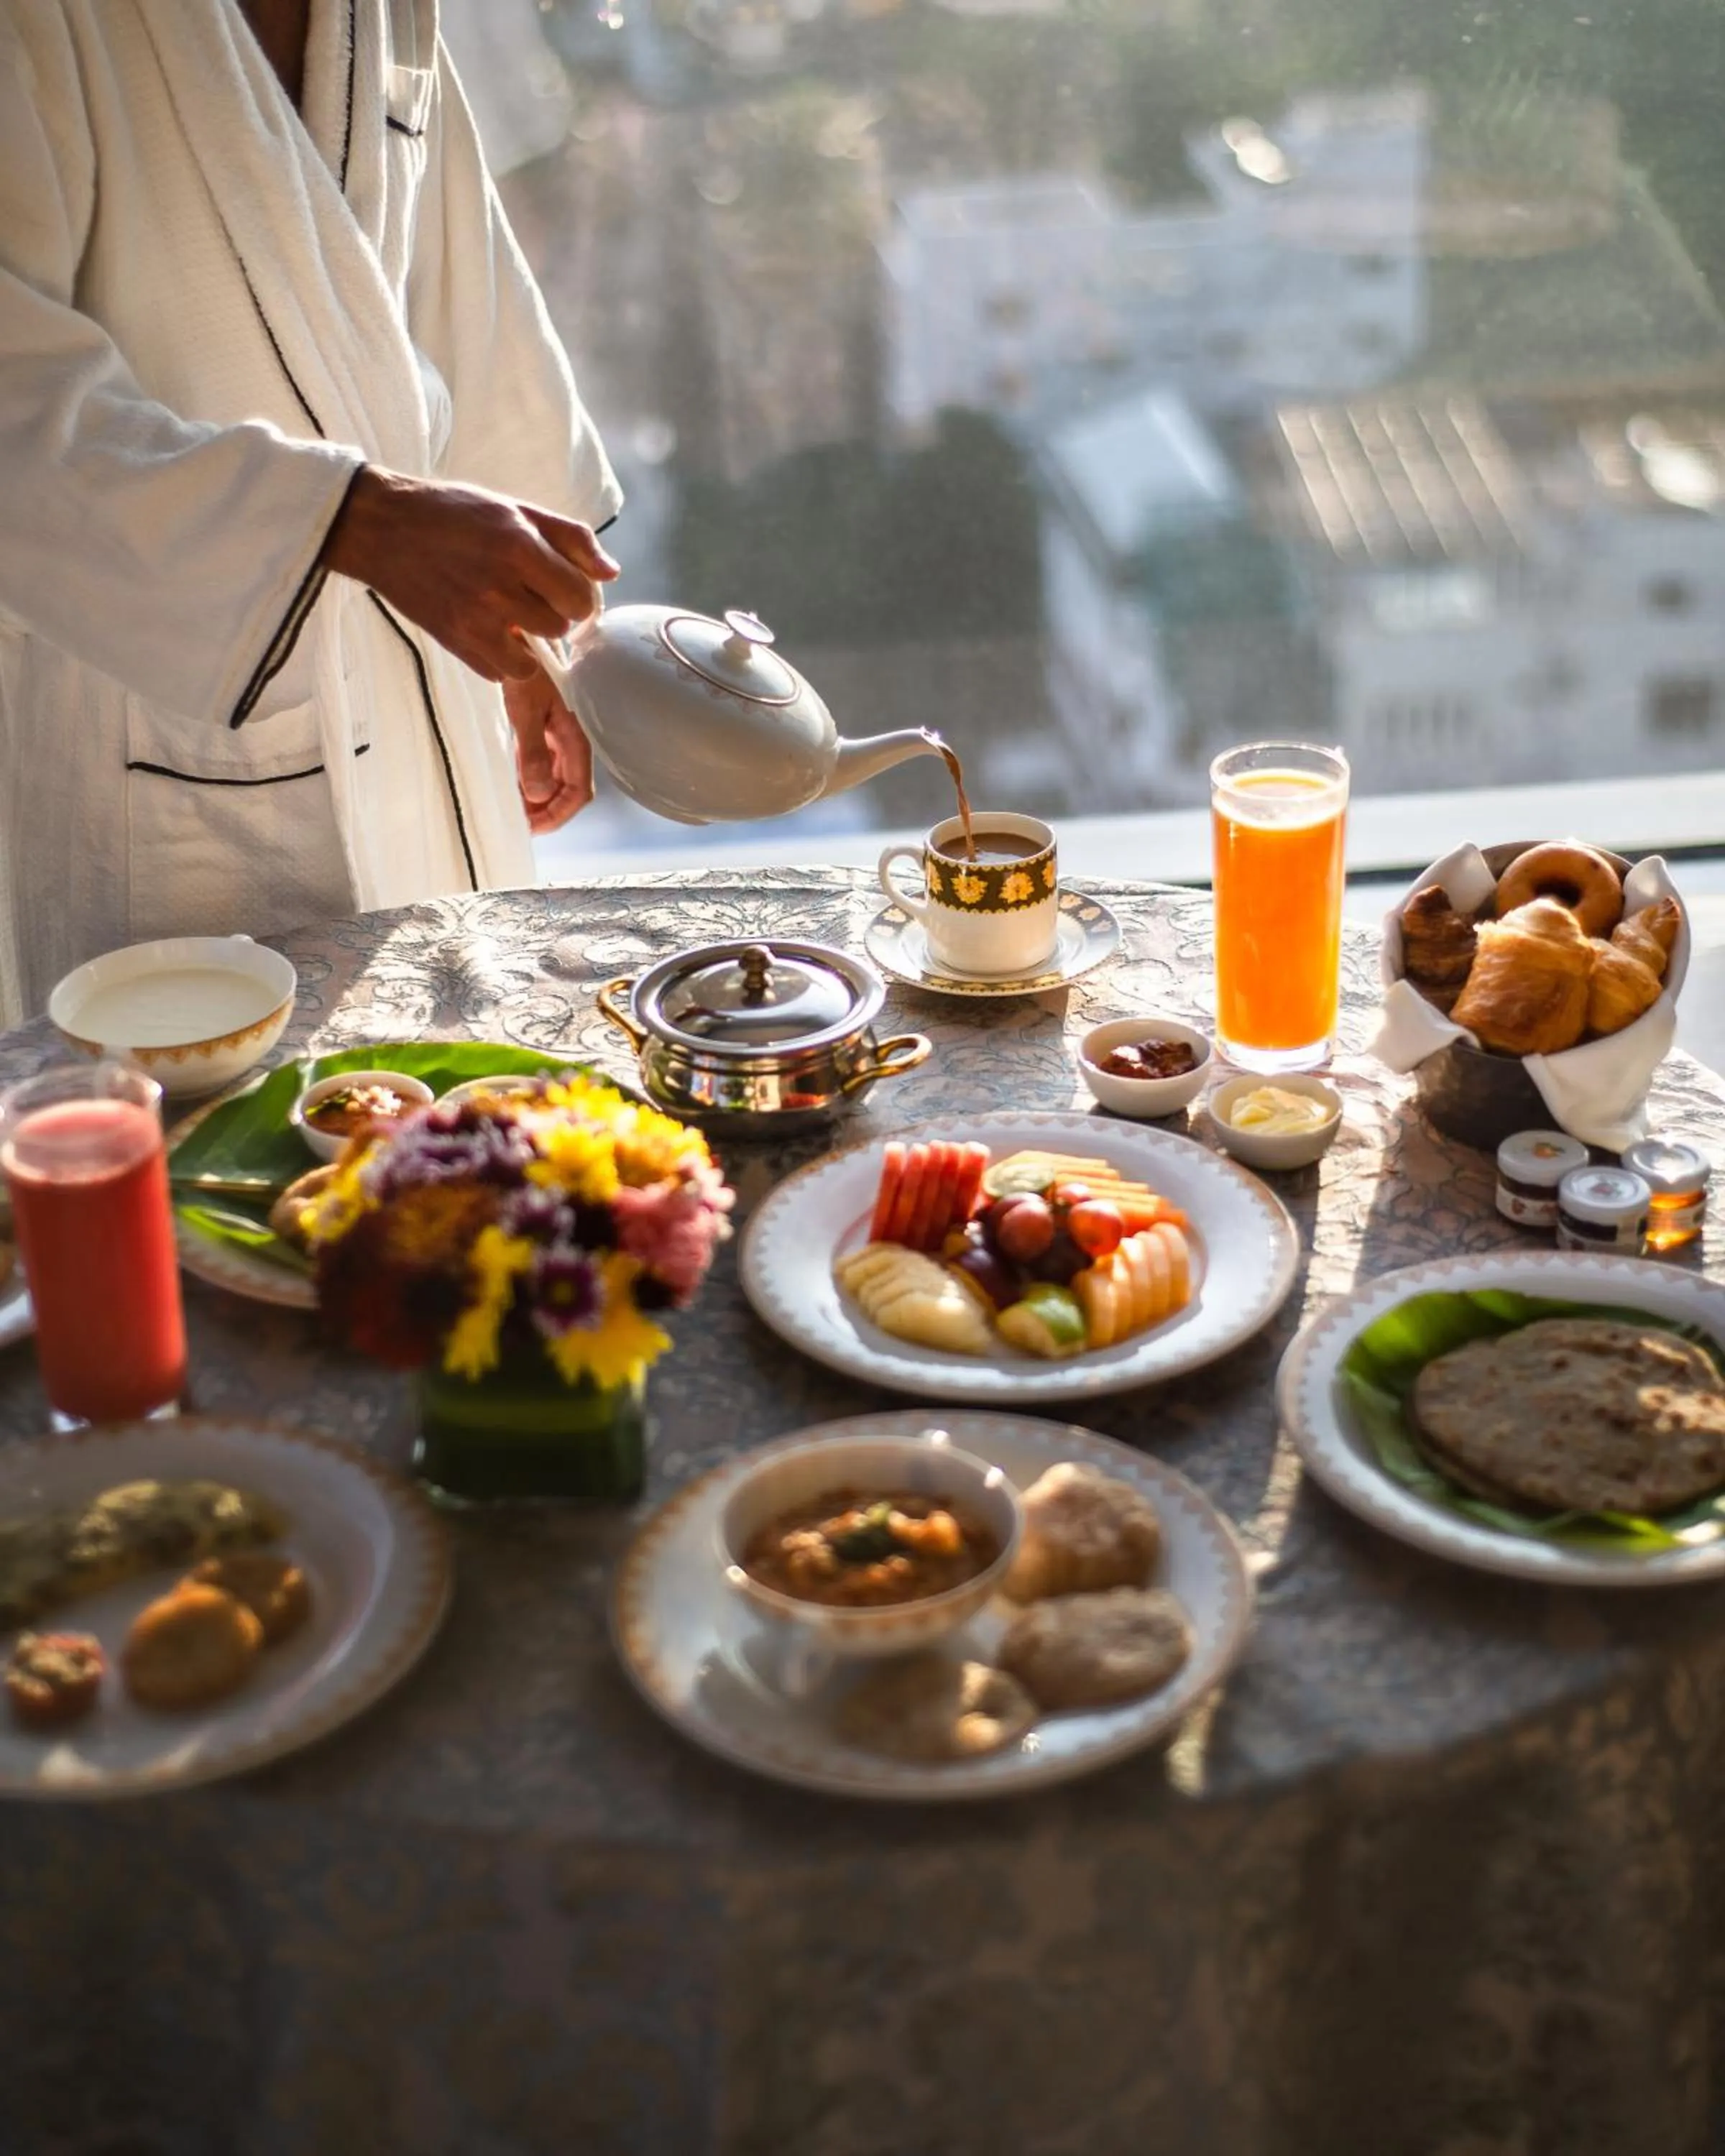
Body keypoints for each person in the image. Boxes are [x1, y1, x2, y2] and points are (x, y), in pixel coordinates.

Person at [0, 0, 622, 1025]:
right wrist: (354, 522)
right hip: (155, 736)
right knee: (201, 1114)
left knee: (456, 1096)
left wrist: (544, 630)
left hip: (424, 709)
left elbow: (466, 298)